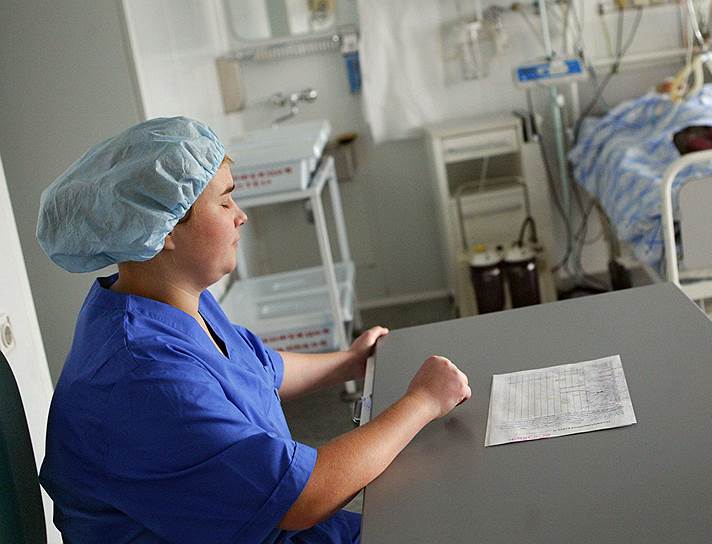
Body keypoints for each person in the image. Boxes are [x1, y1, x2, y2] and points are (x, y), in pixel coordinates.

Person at [36, 117, 472, 543]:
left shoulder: (164, 299)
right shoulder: (145, 374)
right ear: (164, 227)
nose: (240, 216)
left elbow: (256, 369)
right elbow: (304, 499)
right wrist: (423, 402)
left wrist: (349, 362)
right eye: (225, 202)